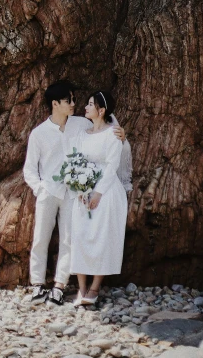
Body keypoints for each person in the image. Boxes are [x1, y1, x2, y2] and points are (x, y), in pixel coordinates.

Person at [23, 80, 130, 305]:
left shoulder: (80, 124)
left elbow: (104, 125)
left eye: (73, 99)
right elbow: (29, 169)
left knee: (69, 239)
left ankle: (60, 286)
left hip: (74, 193)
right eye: (68, 100)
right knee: (40, 238)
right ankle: (37, 285)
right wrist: (40, 188)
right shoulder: (39, 133)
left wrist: (121, 134)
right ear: (55, 104)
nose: (74, 103)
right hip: (49, 191)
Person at [68, 90, 128, 306]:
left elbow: (112, 165)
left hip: (106, 190)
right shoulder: (82, 133)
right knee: (80, 235)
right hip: (83, 190)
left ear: (101, 110)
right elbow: (76, 160)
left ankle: (95, 287)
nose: (85, 107)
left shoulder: (113, 134)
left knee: (101, 237)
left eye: (90, 104)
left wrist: (98, 193)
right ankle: (81, 288)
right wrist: (80, 188)